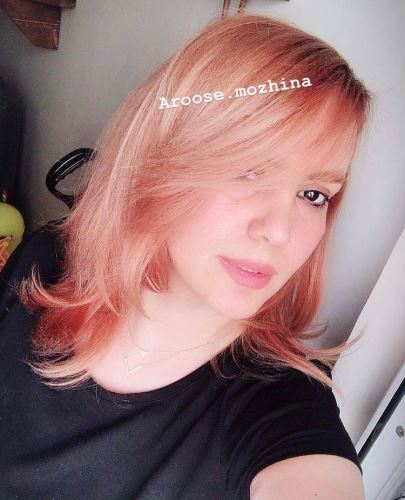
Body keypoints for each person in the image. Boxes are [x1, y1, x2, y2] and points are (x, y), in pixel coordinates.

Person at [0, 11, 372, 500]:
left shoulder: (280, 404)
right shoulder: (47, 260)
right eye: (249, 170)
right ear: (158, 159)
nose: (279, 231)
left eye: (313, 194)